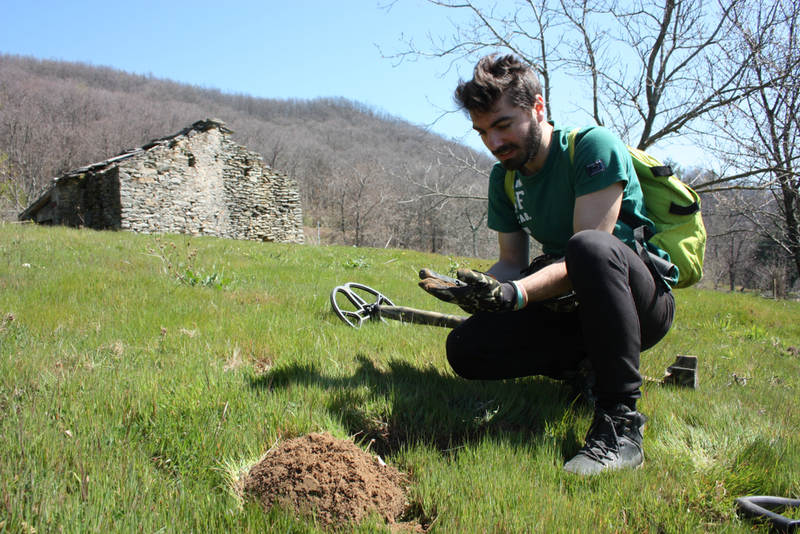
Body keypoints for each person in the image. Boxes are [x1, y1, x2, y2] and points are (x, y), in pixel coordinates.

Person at [418, 54, 675, 475]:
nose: (494, 143)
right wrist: (478, 290)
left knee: (588, 247)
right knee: (465, 349)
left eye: (503, 125)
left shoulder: (592, 148)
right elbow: (511, 263)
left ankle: (621, 426)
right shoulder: (504, 176)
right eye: (482, 132)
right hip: (572, 305)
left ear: (538, 108)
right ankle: (585, 369)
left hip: (638, 302)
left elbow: (588, 254)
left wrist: (515, 293)